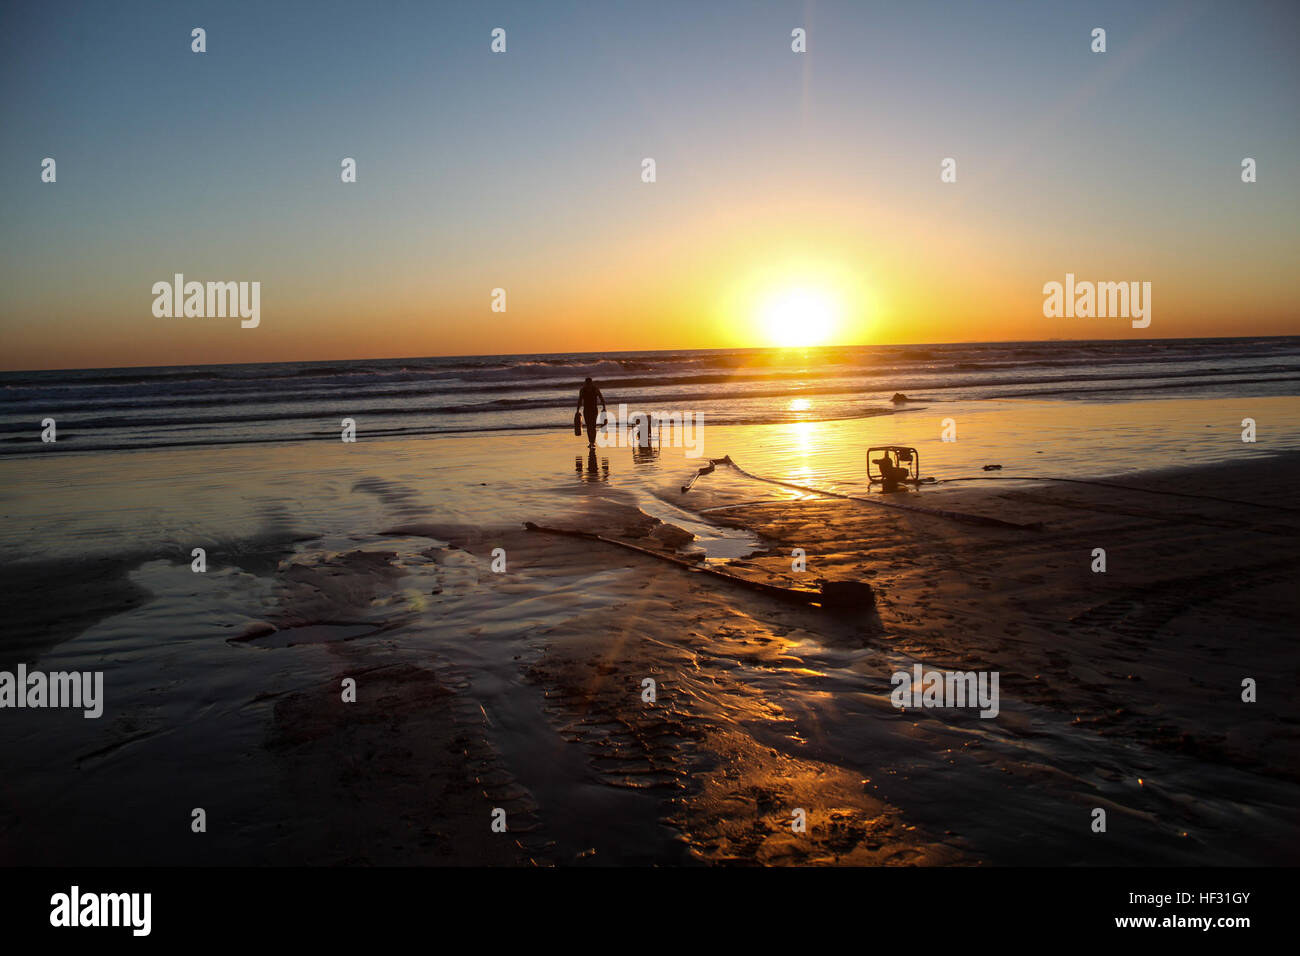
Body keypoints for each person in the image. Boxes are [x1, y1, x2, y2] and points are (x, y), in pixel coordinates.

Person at [576, 377, 607, 447]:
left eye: (589, 383)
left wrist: (604, 407)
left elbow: (601, 398)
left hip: (593, 410)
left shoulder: (595, 389)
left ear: (591, 383)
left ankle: (592, 442)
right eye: (587, 383)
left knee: (592, 426)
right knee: (589, 427)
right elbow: (580, 401)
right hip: (587, 410)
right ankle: (591, 442)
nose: (588, 385)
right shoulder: (583, 390)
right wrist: (577, 410)